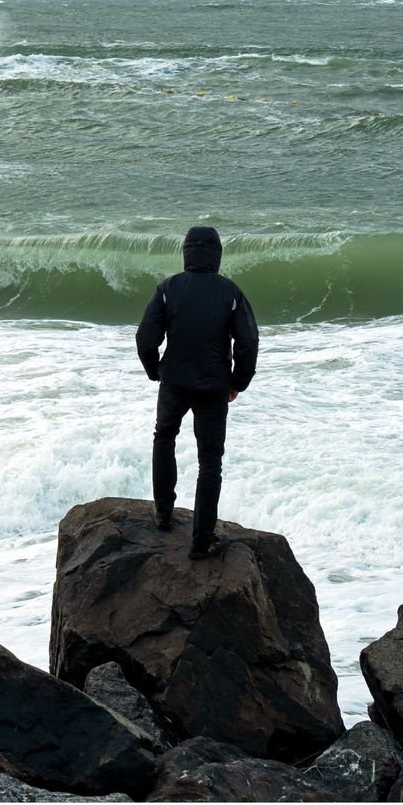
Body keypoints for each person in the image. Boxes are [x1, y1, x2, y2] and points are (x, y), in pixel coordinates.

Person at [135, 226, 259, 559]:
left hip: (173, 383)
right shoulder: (230, 292)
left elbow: (146, 339)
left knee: (164, 436)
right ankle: (201, 542)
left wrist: (154, 371)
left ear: (187, 253)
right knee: (210, 462)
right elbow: (247, 342)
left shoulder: (168, 288)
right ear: (217, 255)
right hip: (213, 388)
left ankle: (163, 514)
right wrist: (237, 382)